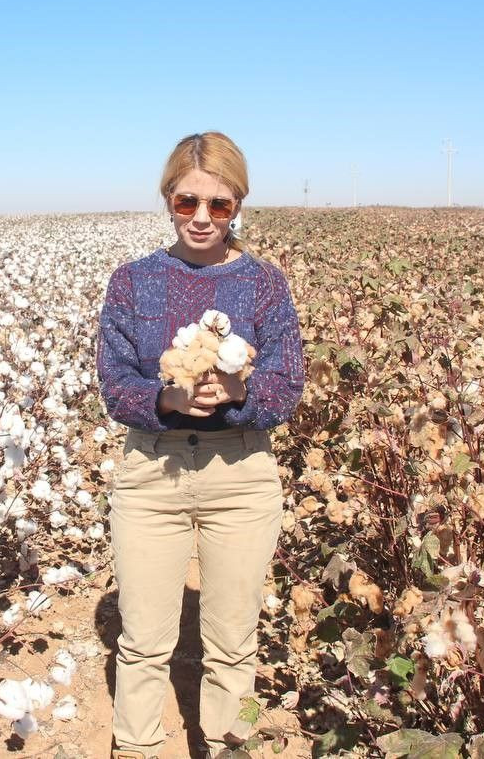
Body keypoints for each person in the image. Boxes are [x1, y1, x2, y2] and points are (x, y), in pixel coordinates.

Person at [96, 132, 305, 758]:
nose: (203, 218)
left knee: (234, 642)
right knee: (143, 643)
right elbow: (114, 383)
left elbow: (288, 384)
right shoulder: (132, 281)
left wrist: (240, 389)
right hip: (152, 476)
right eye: (188, 203)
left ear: (238, 203)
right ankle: (135, 749)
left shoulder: (264, 284)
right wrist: (167, 399)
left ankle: (226, 747)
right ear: (168, 200)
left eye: (219, 204)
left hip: (241, 474)